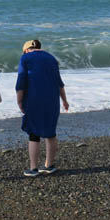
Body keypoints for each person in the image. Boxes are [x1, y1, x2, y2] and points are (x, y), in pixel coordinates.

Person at [15, 39, 69, 177]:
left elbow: (21, 82)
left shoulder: (25, 58)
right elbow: (59, 82)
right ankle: (49, 165)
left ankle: (33, 168)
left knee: (33, 133)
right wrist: (64, 100)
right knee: (50, 132)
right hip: (52, 99)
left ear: (27, 49)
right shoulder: (51, 58)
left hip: (34, 99)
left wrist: (19, 100)